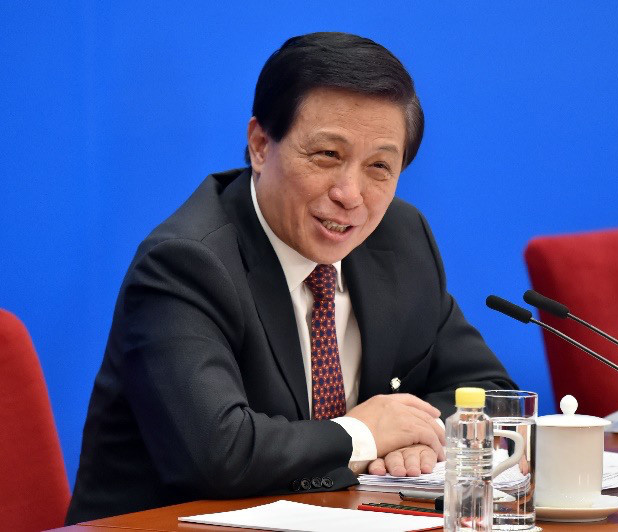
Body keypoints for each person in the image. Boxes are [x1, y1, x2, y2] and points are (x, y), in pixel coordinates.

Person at [66, 32, 515, 523]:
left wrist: (420, 439)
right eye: (327, 155)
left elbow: (490, 393)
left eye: (379, 167)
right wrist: (363, 435)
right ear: (261, 145)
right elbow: (219, 454)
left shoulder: (400, 240)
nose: (350, 194)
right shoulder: (185, 263)